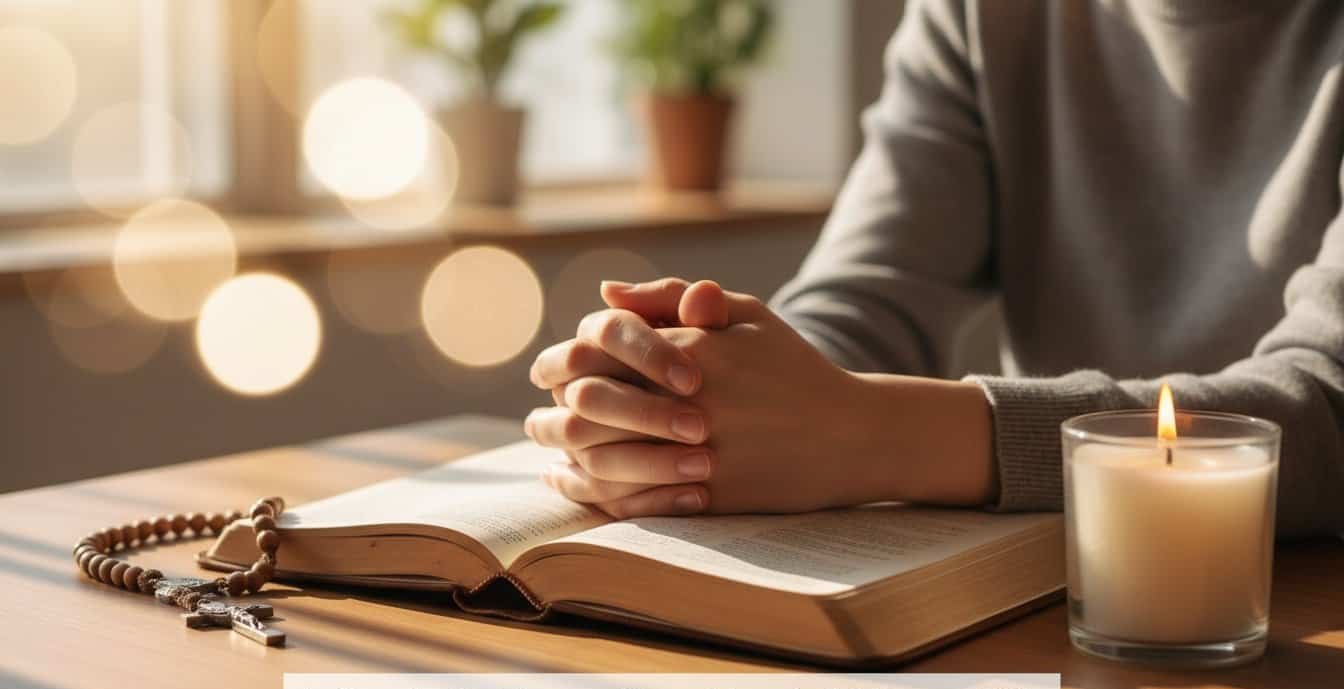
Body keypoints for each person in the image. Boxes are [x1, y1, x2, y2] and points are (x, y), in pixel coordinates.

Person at [524, 0, 1344, 538]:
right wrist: (701, 388)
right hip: (1046, 590)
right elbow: (868, 293)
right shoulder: (976, 12)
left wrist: (870, 434)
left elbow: (1329, 398)